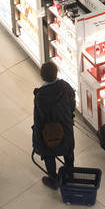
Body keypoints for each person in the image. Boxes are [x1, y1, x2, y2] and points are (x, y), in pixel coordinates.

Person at [32, 60, 75, 189]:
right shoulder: (65, 87)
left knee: (48, 153)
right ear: (56, 73)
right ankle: (70, 174)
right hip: (65, 126)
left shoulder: (40, 96)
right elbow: (72, 104)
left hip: (49, 131)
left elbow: (39, 118)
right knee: (68, 150)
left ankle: (53, 179)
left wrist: (37, 136)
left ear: (42, 76)